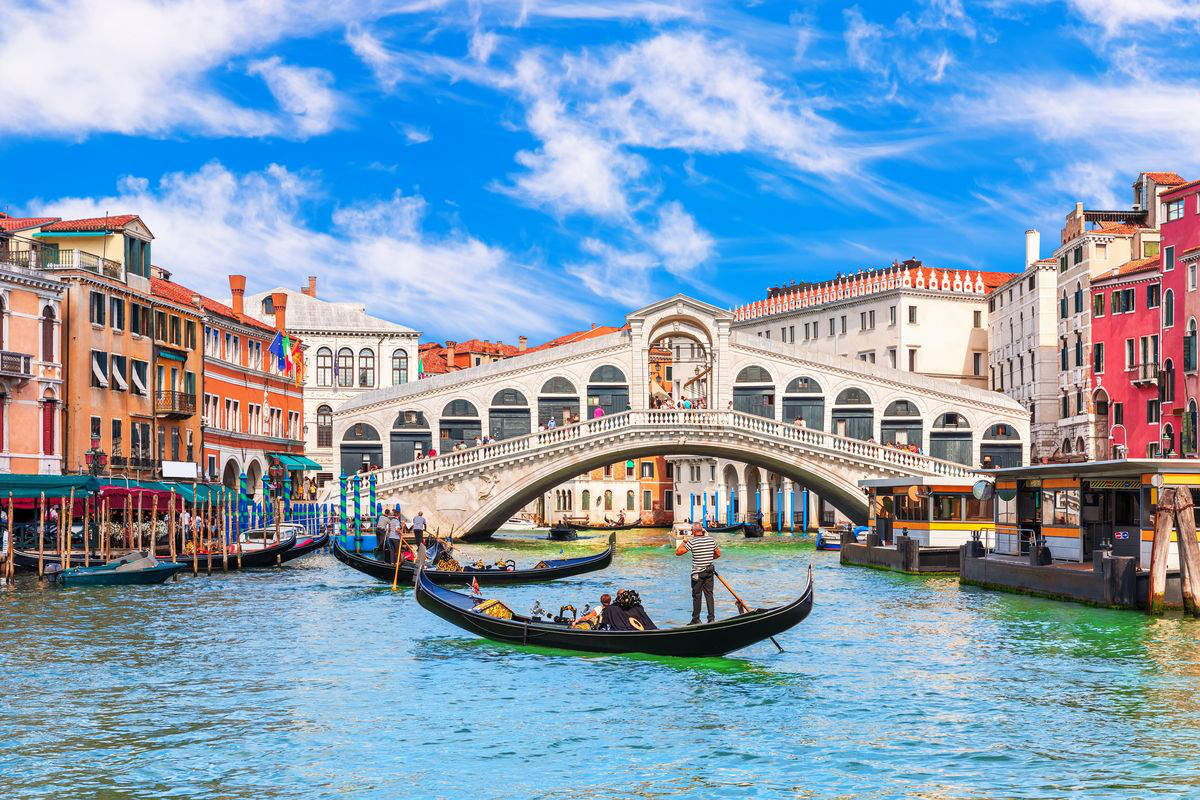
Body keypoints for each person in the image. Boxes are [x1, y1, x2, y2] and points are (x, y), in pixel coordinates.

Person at [676, 521, 720, 625]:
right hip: (709, 571)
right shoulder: (711, 540)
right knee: (709, 595)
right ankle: (711, 619)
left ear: (693, 531)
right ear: (702, 530)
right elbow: (718, 554)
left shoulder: (692, 542)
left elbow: (678, 552)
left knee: (697, 596)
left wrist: (684, 541)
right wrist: (709, 558)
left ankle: (696, 619)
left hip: (697, 574)